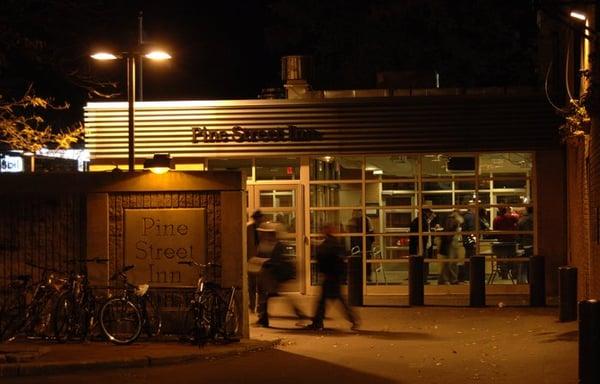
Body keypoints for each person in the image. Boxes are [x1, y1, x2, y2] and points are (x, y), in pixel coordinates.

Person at [305, 223, 358, 331]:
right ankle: (318, 321)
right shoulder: (333, 242)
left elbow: (324, 255)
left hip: (330, 276)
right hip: (333, 276)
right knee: (332, 300)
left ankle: (318, 322)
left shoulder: (329, 243)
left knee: (325, 301)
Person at [255, 222, 304, 327]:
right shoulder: (266, 244)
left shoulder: (278, 245)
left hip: (274, 277)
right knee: (268, 298)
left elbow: (277, 261)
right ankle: (263, 319)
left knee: (267, 298)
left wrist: (264, 262)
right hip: (270, 277)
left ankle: (264, 320)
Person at [408, 209, 438, 284]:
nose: (432, 215)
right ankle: (422, 279)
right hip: (422, 246)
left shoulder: (419, 221)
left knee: (422, 263)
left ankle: (421, 279)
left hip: (422, 245)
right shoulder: (421, 222)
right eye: (430, 214)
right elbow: (421, 235)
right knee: (423, 263)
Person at [438, 210, 464, 285]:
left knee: (448, 262)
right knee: (452, 262)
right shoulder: (454, 221)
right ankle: (451, 279)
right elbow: (451, 232)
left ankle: (445, 279)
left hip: (449, 243)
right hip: (451, 243)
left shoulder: (450, 220)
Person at [347, 210, 375, 281]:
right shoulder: (367, 219)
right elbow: (371, 231)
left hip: (357, 243)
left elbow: (350, 232)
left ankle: (361, 275)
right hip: (365, 242)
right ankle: (366, 276)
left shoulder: (352, 221)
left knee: (358, 260)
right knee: (365, 260)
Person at [246, 210, 265, 312]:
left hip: (261, 260)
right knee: (252, 284)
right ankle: (252, 304)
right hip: (251, 259)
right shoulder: (248, 228)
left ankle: (259, 306)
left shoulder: (263, 228)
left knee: (261, 286)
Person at [516, 206, 534, 284]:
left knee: (524, 265)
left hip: (525, 245)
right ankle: (532, 282)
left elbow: (518, 236)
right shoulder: (536, 218)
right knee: (534, 265)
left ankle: (522, 283)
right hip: (534, 245)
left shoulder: (521, 220)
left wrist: (519, 244)